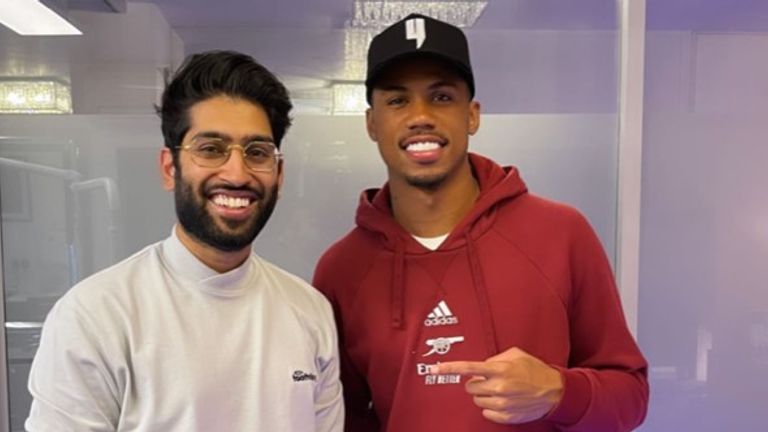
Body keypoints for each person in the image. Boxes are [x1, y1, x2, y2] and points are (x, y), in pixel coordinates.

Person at [313, 13, 648, 432]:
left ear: (472, 115)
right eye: (397, 100)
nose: (420, 116)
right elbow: (341, 418)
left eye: (441, 97)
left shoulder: (562, 234)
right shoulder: (341, 270)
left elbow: (631, 397)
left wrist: (560, 392)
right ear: (371, 124)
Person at [25, 50, 343, 432]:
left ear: (279, 173)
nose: (237, 173)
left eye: (257, 152)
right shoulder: (95, 317)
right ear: (169, 168)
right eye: (211, 149)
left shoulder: (309, 311)